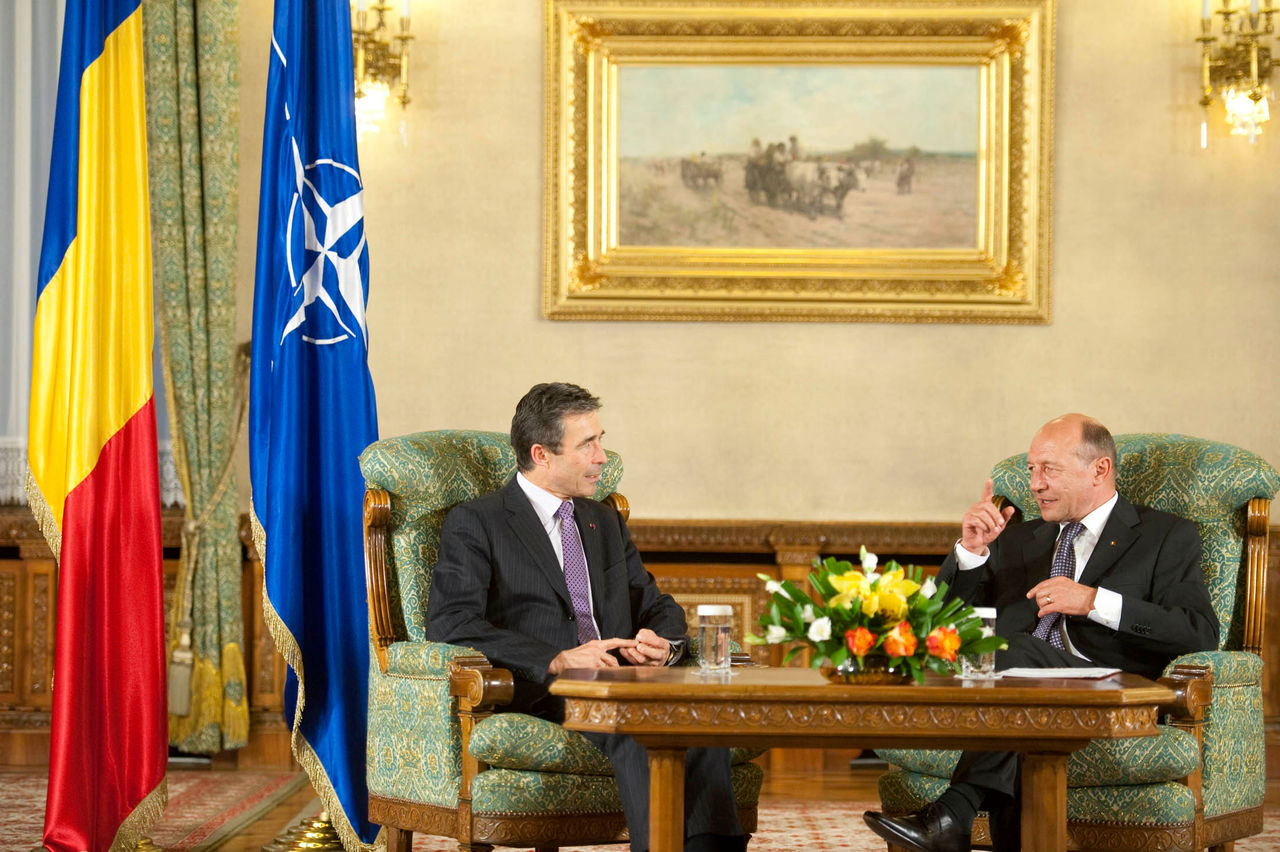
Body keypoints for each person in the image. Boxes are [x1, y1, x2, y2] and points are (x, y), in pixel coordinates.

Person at [863, 414, 1218, 852]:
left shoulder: (1164, 535)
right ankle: (957, 815)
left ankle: (955, 811)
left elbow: (1198, 632)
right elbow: (941, 625)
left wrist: (1094, 602)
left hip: (1107, 687)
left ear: (1099, 470)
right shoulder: (1016, 539)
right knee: (1012, 684)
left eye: (1049, 469)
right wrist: (971, 554)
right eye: (1032, 470)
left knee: (1011, 652)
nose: (1035, 484)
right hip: (1018, 692)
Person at [426, 382, 748, 852]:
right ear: (542, 454)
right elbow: (451, 621)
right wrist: (555, 659)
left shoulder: (603, 521)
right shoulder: (478, 522)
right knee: (642, 729)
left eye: (600, 439)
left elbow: (656, 603)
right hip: (542, 688)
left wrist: (663, 643)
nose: (603, 457)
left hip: (626, 680)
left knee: (697, 722)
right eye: (588, 444)